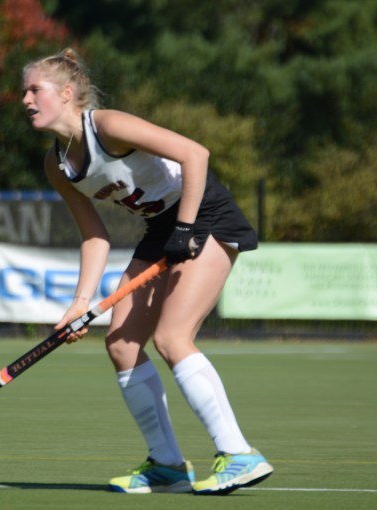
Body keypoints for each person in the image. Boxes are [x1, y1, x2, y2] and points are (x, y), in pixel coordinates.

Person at [21, 48, 274, 495]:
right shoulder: (57, 164)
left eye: (33, 89)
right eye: (24, 91)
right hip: (162, 229)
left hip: (205, 216)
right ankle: (167, 466)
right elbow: (95, 236)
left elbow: (196, 154)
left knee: (172, 338)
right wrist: (79, 307)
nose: (25, 99)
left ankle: (239, 455)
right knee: (120, 344)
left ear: (65, 93)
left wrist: (185, 229)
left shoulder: (108, 126)